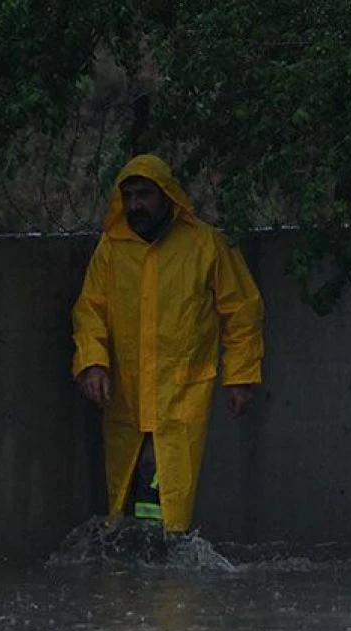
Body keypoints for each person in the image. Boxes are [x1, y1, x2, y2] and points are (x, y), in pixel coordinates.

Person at [72, 154, 265, 533]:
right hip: (126, 397)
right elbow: (89, 310)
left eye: (144, 195)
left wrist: (241, 377)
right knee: (128, 492)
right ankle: (144, 568)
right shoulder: (111, 249)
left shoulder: (206, 245)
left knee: (162, 484)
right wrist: (93, 363)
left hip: (180, 396)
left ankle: (159, 566)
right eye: (128, 196)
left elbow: (243, 310)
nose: (135, 206)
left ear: (167, 196)